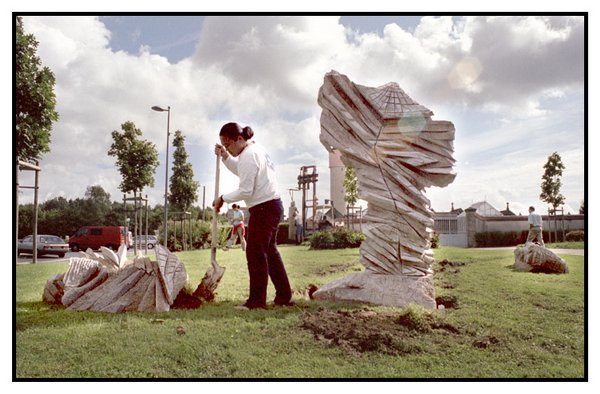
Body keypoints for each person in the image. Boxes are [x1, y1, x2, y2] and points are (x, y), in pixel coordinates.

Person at [213, 122, 293, 310]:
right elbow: (241, 169)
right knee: (270, 253)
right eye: (224, 145)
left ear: (239, 139)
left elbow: (246, 191)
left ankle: (257, 302)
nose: (228, 148)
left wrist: (223, 198)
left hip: (264, 209)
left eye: (228, 144)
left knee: (256, 254)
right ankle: (284, 296)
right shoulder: (254, 150)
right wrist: (225, 157)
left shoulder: (248, 155)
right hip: (271, 206)